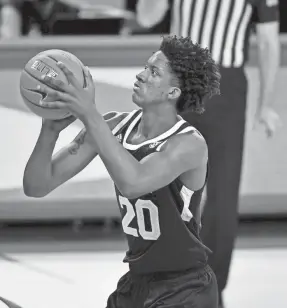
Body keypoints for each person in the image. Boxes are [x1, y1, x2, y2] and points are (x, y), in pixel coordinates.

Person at [23, 35, 221, 308]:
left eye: (153, 72)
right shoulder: (114, 125)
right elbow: (36, 186)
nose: (140, 75)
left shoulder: (188, 144)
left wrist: (88, 113)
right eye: (145, 67)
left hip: (184, 288)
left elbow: (134, 182)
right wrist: (50, 129)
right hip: (136, 284)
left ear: (173, 92)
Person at [136, 1, 281, 306]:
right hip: (178, 81)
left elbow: (269, 41)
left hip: (221, 85)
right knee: (165, 182)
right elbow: (146, 16)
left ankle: (206, 282)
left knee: (220, 190)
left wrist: (266, 103)